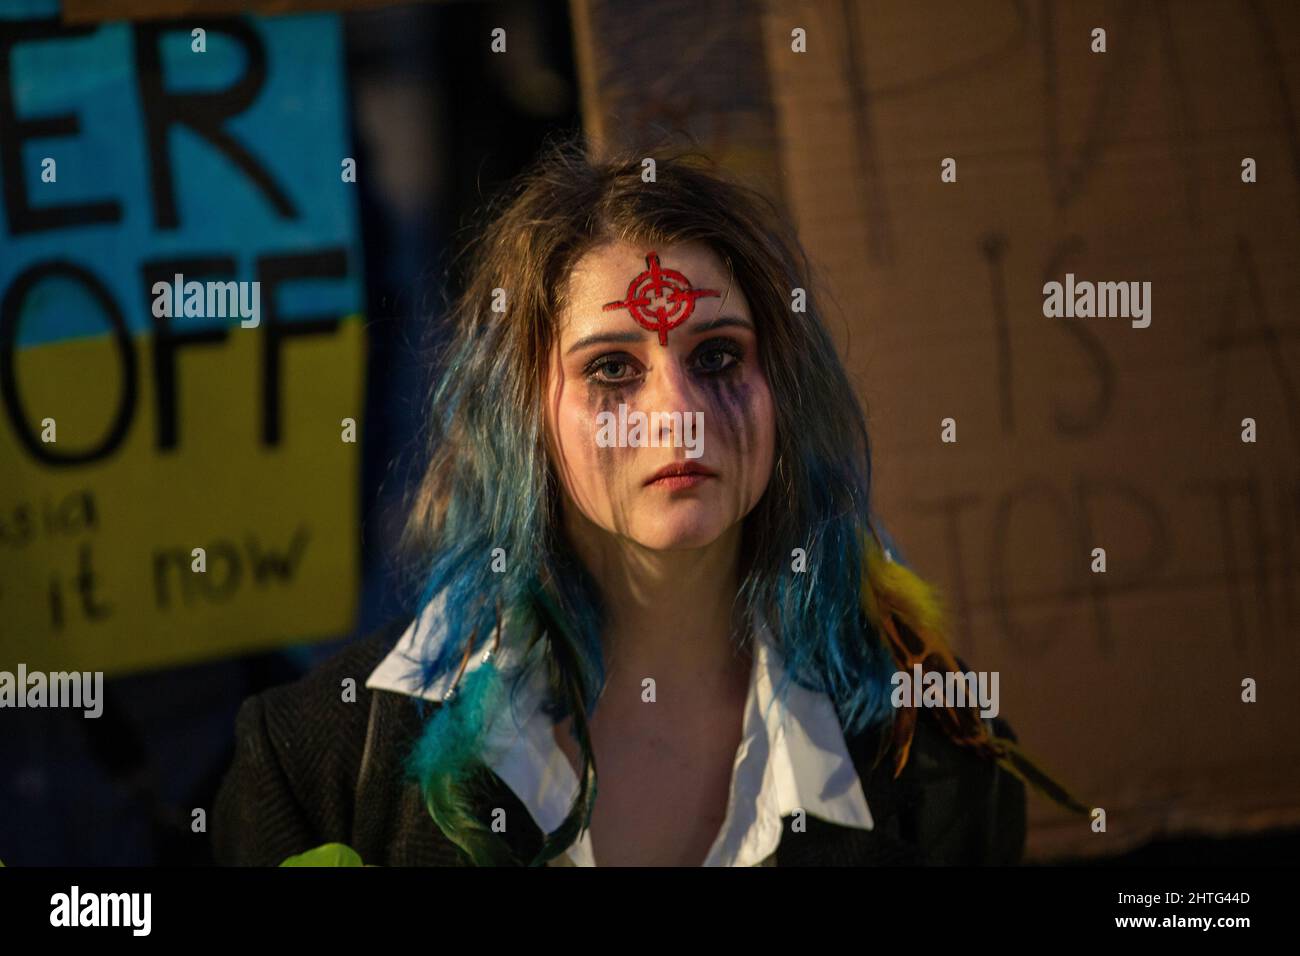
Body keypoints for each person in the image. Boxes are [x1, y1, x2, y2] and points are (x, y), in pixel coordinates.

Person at [212, 137, 1084, 867]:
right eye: (611, 370)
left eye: (717, 358)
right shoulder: (318, 765)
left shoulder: (928, 746)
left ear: (782, 388)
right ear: (524, 418)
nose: (680, 416)